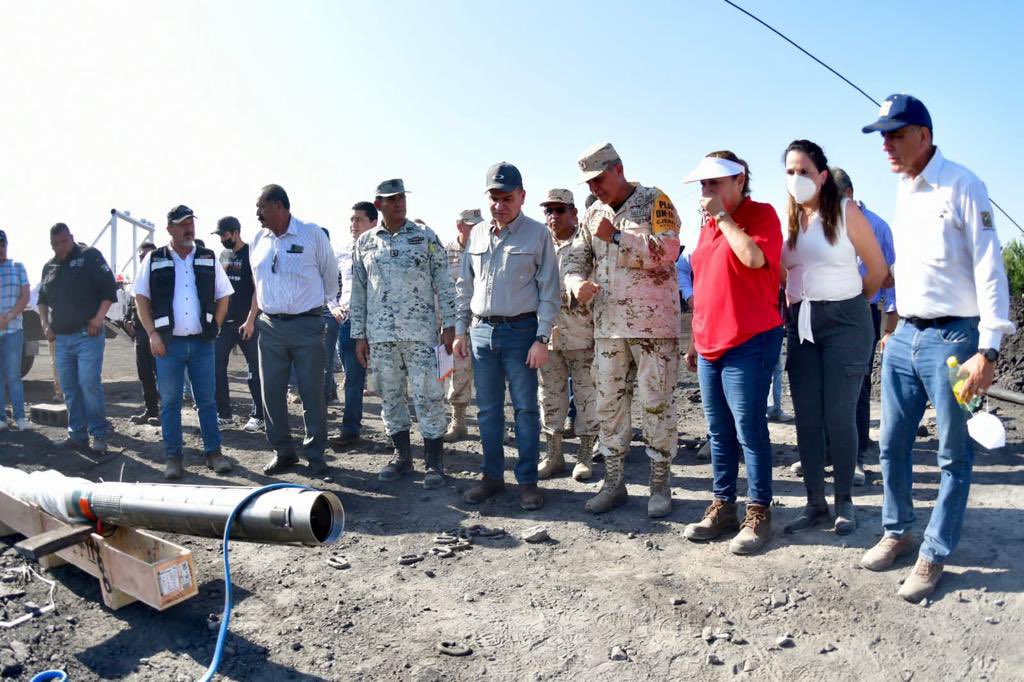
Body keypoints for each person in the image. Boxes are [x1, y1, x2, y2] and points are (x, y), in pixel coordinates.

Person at [860, 94, 1015, 602]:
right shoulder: (905, 188)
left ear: (924, 135)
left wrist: (988, 350)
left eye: (895, 135)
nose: (886, 145)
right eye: (882, 136)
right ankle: (898, 530)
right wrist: (893, 324)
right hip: (907, 333)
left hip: (955, 340)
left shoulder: (963, 185)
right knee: (891, 444)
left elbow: (991, 271)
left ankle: (934, 552)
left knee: (952, 454)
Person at [563, 142, 682, 518]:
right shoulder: (592, 214)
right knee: (608, 406)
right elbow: (577, 258)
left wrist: (617, 235)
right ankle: (613, 482)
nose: (593, 189)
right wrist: (573, 283)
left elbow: (670, 250)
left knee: (655, 404)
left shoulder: (654, 201)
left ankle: (660, 484)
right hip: (607, 328)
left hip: (653, 328)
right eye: (588, 183)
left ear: (618, 169)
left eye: (598, 179)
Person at [779, 140, 887, 537]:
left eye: (804, 171)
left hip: (845, 320)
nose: (796, 179)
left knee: (839, 414)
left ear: (822, 177)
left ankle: (845, 501)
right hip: (803, 324)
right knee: (807, 417)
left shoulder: (845, 212)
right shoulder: (788, 223)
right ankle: (814, 502)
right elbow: (781, 273)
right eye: (790, 172)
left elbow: (876, 270)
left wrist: (851, 303)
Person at [681, 153, 783, 555]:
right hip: (709, 342)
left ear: (739, 180)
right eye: (703, 186)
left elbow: (754, 258)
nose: (706, 193)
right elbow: (705, 286)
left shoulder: (762, 215)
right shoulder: (706, 227)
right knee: (719, 431)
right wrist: (693, 338)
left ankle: (759, 511)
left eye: (714, 184)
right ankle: (723, 505)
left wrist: (723, 218)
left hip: (750, 339)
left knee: (749, 429)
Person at [454, 162, 560, 511]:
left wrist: (542, 338)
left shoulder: (538, 235)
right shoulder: (478, 235)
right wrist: (460, 331)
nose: (500, 205)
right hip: (482, 332)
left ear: (522, 197)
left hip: (521, 333)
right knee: (487, 411)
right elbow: (464, 286)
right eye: (494, 198)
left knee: (526, 410)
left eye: (508, 198)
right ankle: (492, 476)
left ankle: (527, 482)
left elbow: (549, 291)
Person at [350, 179, 457, 487]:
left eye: (401, 198)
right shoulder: (365, 242)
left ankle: (434, 464)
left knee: (429, 396)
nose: (398, 203)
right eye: (391, 199)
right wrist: (359, 334)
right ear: (379, 204)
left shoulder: (424, 236)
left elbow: (444, 283)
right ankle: (402, 457)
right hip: (380, 335)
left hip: (421, 334)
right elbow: (359, 291)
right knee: (391, 396)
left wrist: (449, 325)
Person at [133, 205, 234, 479]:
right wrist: (152, 333)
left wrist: (217, 325)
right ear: (170, 229)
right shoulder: (154, 259)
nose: (189, 228)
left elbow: (224, 294)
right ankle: (173, 457)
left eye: (191, 223)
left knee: (207, 401)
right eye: (182, 224)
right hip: (168, 345)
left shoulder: (207, 257)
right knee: (170, 403)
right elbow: (140, 297)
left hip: (202, 343)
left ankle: (213, 453)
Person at [249, 184, 338, 477]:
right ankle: (283, 452)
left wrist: (313, 311)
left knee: (312, 393)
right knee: (271, 393)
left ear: (279, 205)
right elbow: (257, 283)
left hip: (307, 325)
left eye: (261, 205)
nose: (257, 212)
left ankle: (315, 454)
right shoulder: (257, 240)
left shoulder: (311, 234)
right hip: (271, 326)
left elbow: (330, 277)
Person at [831, 167, 898, 485]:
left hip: (862, 312)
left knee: (856, 387)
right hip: (825, 315)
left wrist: (891, 323)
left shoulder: (877, 227)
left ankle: (854, 457)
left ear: (848, 194)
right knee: (826, 386)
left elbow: (890, 280)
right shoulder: (822, 225)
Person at [37, 223, 117, 453]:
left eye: (64, 241)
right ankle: (77, 435)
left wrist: (98, 319)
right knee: (69, 387)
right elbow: (41, 299)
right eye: (55, 244)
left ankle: (99, 434)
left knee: (89, 383)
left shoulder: (89, 256)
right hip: (61, 338)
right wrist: (45, 324)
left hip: (87, 335)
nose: (60, 247)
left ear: (71, 237)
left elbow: (109, 289)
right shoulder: (49, 266)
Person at [536, 188, 598, 481]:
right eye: (548, 210)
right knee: (549, 396)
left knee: (587, 396)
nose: (553, 216)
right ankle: (554, 455)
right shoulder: (539, 244)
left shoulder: (587, 243)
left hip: (583, 334)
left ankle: (585, 455)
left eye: (560, 210)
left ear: (574, 212)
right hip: (547, 335)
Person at [327, 202, 376, 450]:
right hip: (349, 320)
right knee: (352, 379)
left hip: (379, 322)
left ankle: (398, 433)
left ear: (373, 223)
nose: (353, 224)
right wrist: (333, 306)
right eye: (352, 219)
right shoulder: (342, 251)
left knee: (389, 379)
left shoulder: (383, 250)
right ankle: (350, 430)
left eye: (358, 219)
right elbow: (330, 284)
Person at [212, 216, 265, 433]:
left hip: (248, 323)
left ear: (235, 232)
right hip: (226, 324)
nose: (222, 239)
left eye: (224, 235)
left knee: (255, 370)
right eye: (220, 235)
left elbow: (257, 290)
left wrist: (251, 320)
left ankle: (259, 416)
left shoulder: (252, 253)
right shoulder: (223, 255)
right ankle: (225, 415)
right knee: (216, 367)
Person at [442, 209, 483, 442]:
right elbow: (440, 290)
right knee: (457, 373)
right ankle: (458, 421)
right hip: (457, 323)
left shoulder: (486, 247)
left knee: (490, 377)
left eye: (479, 224)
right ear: (460, 226)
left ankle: (493, 424)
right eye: (471, 225)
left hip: (483, 320)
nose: (476, 229)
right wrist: (444, 326)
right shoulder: (446, 251)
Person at [123, 241, 160, 426]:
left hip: (158, 334)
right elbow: (133, 304)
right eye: (141, 256)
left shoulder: (161, 277)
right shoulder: (138, 278)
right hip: (141, 335)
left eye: (147, 255)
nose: (143, 259)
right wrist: (127, 320)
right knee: (145, 374)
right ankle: (151, 410)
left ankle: (164, 414)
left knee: (162, 375)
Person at [0, 229, 31, 431]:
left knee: (13, 375)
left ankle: (20, 417)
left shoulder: (17, 267)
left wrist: (8, 317)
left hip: (13, 329)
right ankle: (1, 418)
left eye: (2, 245)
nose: (0, 249)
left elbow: (25, 296)